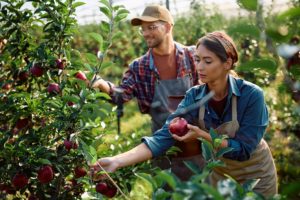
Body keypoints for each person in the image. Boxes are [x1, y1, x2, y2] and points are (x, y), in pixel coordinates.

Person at [91, 31, 278, 197]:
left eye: (208, 61)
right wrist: (116, 161)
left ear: (227, 63)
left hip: (256, 174)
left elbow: (243, 150)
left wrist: (203, 136)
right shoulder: (194, 96)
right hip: (221, 174)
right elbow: (163, 137)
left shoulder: (251, 95)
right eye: (197, 60)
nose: (200, 67)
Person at [92, 4, 204, 180]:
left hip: (198, 150)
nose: (145, 33)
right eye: (142, 29)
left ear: (168, 27)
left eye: (151, 27)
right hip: (161, 151)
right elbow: (121, 95)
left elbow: (211, 90)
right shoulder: (140, 66)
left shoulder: (192, 56)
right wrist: (100, 84)